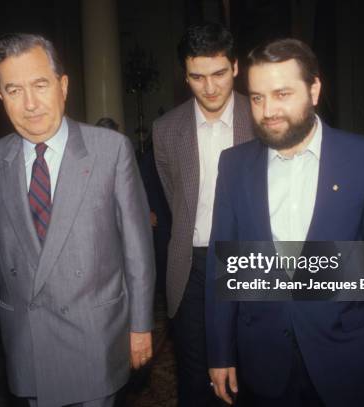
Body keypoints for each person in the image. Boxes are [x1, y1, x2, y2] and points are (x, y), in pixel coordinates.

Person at [0, 33, 155, 407]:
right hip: (29, 344)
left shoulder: (110, 151)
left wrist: (140, 326)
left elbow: (137, 250)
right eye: (13, 89)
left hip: (97, 337)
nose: (30, 104)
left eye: (40, 85)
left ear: (63, 85)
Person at [206, 38, 364, 406]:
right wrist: (221, 352)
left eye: (282, 93)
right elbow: (223, 265)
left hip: (346, 356)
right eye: (256, 97)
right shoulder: (233, 166)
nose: (268, 110)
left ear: (314, 89)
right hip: (262, 361)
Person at [152, 22, 255, 406]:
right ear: (185, 75)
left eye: (218, 74)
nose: (209, 88)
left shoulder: (263, 120)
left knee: (254, 374)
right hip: (191, 266)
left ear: (235, 68)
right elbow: (173, 196)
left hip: (252, 260)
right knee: (196, 383)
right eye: (197, 77)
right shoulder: (165, 130)